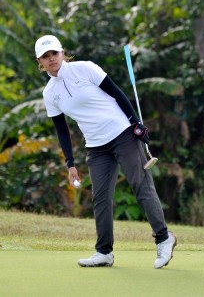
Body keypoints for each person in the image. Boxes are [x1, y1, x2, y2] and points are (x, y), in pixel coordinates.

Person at [35, 35, 177, 269]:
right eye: (45, 56)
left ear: (62, 53)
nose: (51, 59)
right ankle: (104, 252)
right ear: (39, 61)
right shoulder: (50, 93)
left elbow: (117, 93)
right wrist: (70, 163)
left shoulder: (85, 69)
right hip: (96, 146)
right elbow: (62, 130)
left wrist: (135, 124)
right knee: (100, 198)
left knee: (140, 185)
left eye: (54, 53)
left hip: (122, 133)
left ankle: (163, 238)